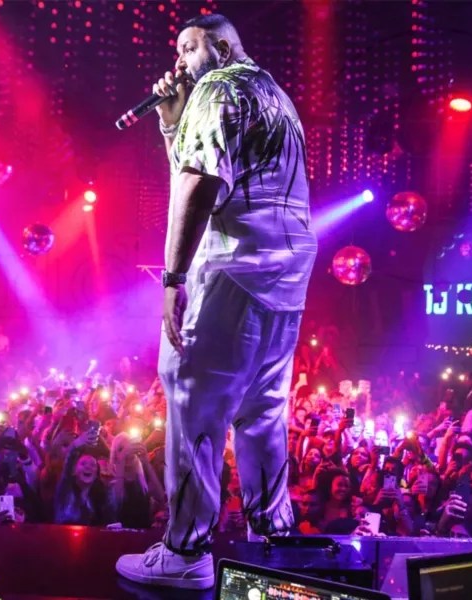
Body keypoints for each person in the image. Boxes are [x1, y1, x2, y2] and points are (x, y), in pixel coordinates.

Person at [116, 13, 316, 590]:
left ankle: (185, 553)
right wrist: (171, 121)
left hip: (230, 271)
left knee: (192, 400)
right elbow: (211, 164)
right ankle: (271, 539)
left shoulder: (218, 87)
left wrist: (173, 278)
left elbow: (199, 182)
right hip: (284, 279)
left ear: (223, 47)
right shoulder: (275, 95)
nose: (179, 60)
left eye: (189, 47)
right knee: (262, 412)